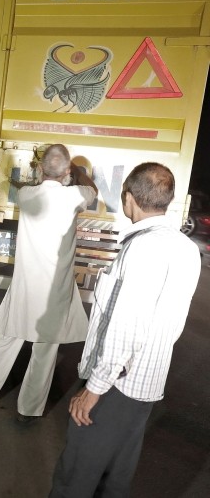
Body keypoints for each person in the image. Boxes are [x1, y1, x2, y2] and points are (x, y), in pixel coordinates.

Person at [49, 162, 201, 497]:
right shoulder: (186, 248)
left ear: (128, 197)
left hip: (116, 385)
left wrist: (95, 388)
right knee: (114, 480)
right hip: (145, 385)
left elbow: (126, 325)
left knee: (75, 477)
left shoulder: (143, 248)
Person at [0, 144, 98, 422]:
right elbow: (92, 191)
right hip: (55, 291)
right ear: (66, 172)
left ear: (40, 169)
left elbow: (34, 182)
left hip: (25, 285)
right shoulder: (74, 196)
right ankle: (28, 410)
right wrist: (72, 171)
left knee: (6, 336)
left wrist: (46, 172)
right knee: (45, 350)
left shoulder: (26, 195)